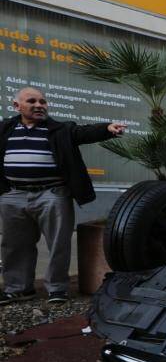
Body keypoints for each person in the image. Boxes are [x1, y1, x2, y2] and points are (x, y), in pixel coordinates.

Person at [1, 87, 125, 304]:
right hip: (14, 194)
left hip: (52, 193)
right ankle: (19, 288)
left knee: (59, 243)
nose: (40, 105)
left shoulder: (60, 129)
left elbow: (84, 132)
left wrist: (107, 128)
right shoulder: (5, 129)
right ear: (16, 106)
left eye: (43, 101)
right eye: (32, 101)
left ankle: (57, 288)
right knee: (14, 244)